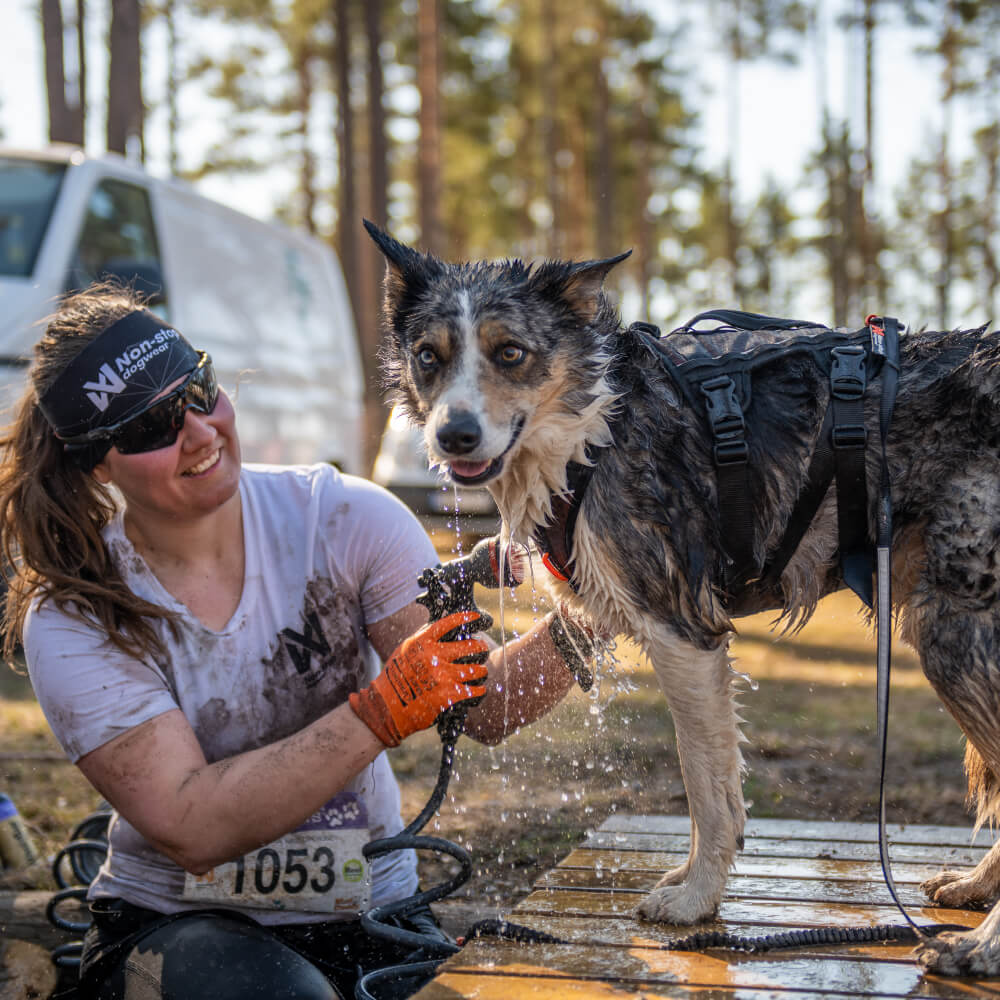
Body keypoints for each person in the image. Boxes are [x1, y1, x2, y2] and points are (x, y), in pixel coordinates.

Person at [0, 283, 595, 1000]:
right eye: (154, 424)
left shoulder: (343, 517)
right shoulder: (75, 609)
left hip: (373, 913)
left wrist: (600, 607)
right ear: (95, 460)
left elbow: (484, 708)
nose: (199, 432)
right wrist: (375, 714)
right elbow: (191, 825)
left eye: (200, 390)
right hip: (176, 925)